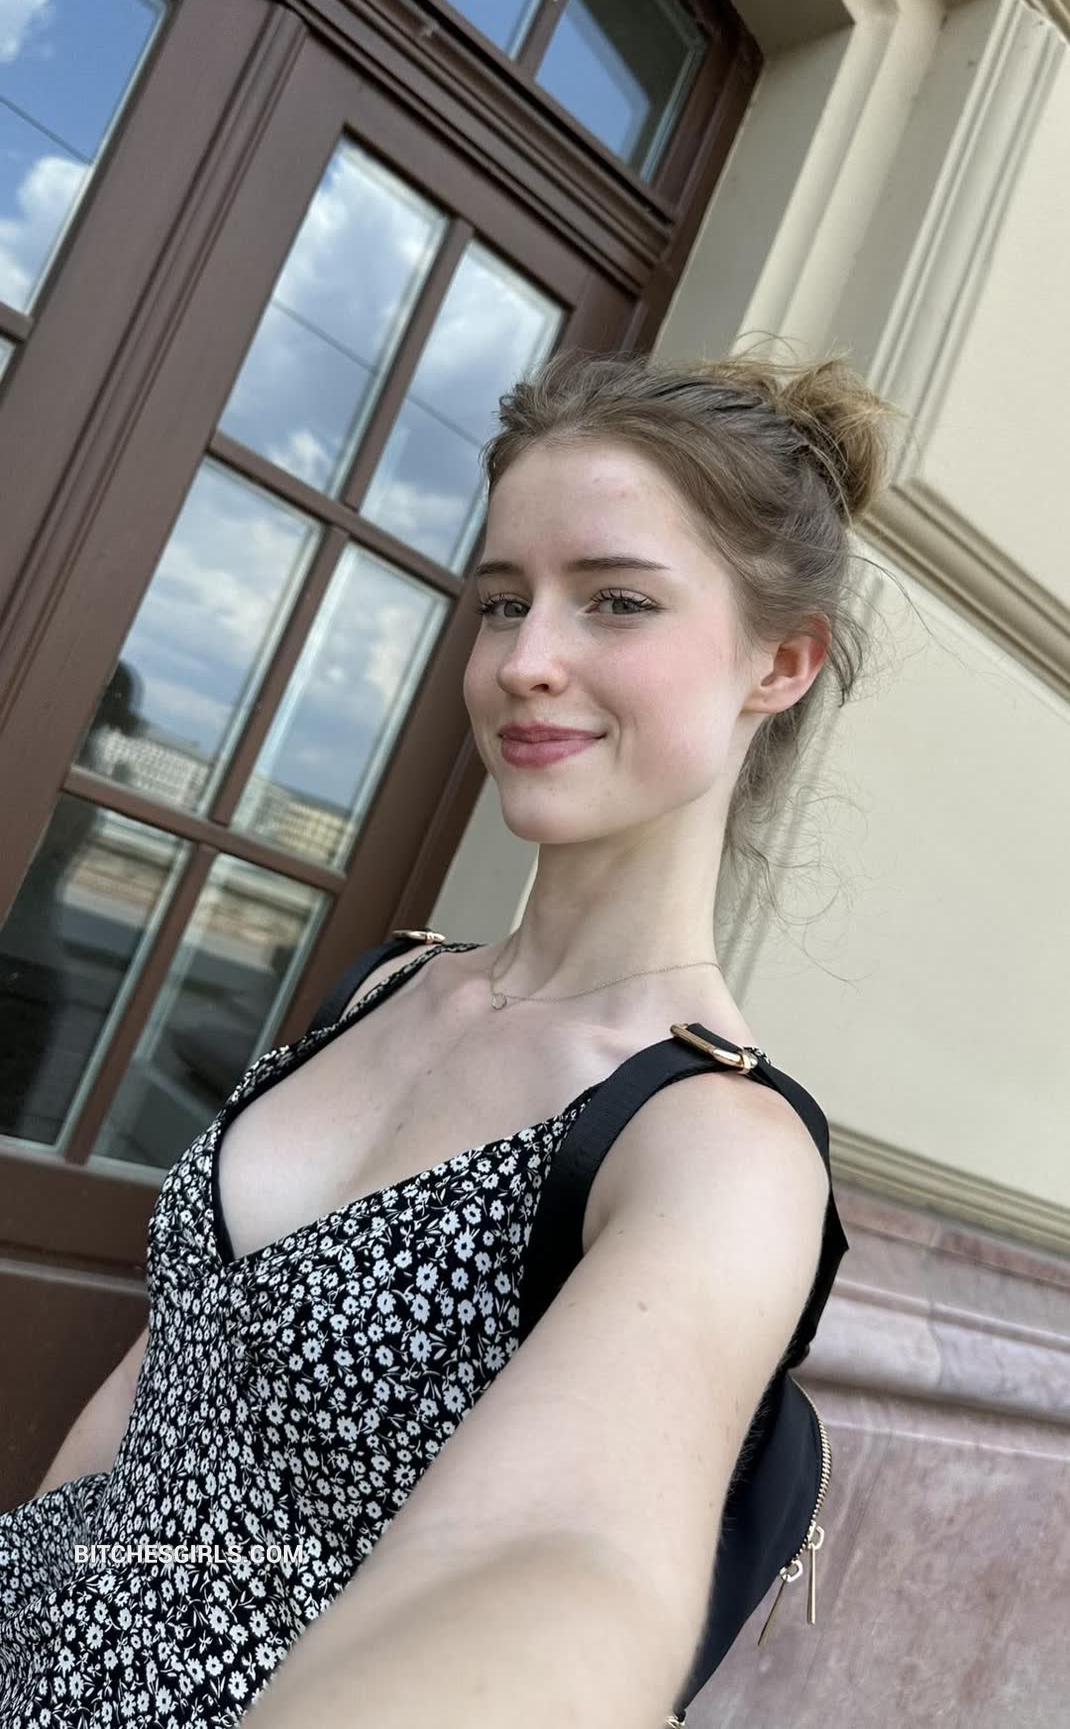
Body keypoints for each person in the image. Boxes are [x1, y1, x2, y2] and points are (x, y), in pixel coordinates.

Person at [0, 346, 894, 1728]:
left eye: (615, 601)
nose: (525, 662)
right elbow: (164, 1373)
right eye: (501, 602)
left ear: (778, 662)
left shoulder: (717, 1143)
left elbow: (568, 1559)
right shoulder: (383, 985)